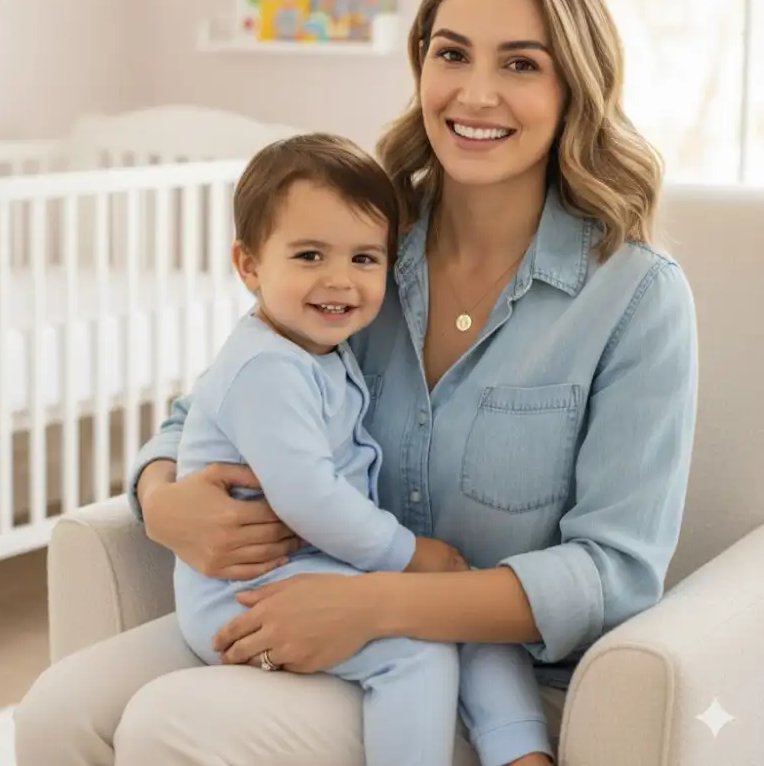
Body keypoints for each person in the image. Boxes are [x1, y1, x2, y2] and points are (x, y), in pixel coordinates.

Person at [15, 0, 699, 766]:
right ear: (420, 64)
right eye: (452, 54)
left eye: (520, 64)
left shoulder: (632, 296)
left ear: (573, 87)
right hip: (308, 600)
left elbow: (613, 572)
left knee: (174, 725)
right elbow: (212, 405)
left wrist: (380, 607)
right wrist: (162, 498)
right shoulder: (359, 247)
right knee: (54, 713)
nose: (475, 93)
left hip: (491, 677)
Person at [174, 131, 554, 766]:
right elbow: (309, 497)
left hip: (325, 567)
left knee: (468, 612)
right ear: (249, 266)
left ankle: (522, 753)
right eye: (310, 256)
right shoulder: (269, 369)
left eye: (364, 259)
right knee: (420, 651)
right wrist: (408, 554)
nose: (339, 281)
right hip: (251, 596)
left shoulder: (316, 349)